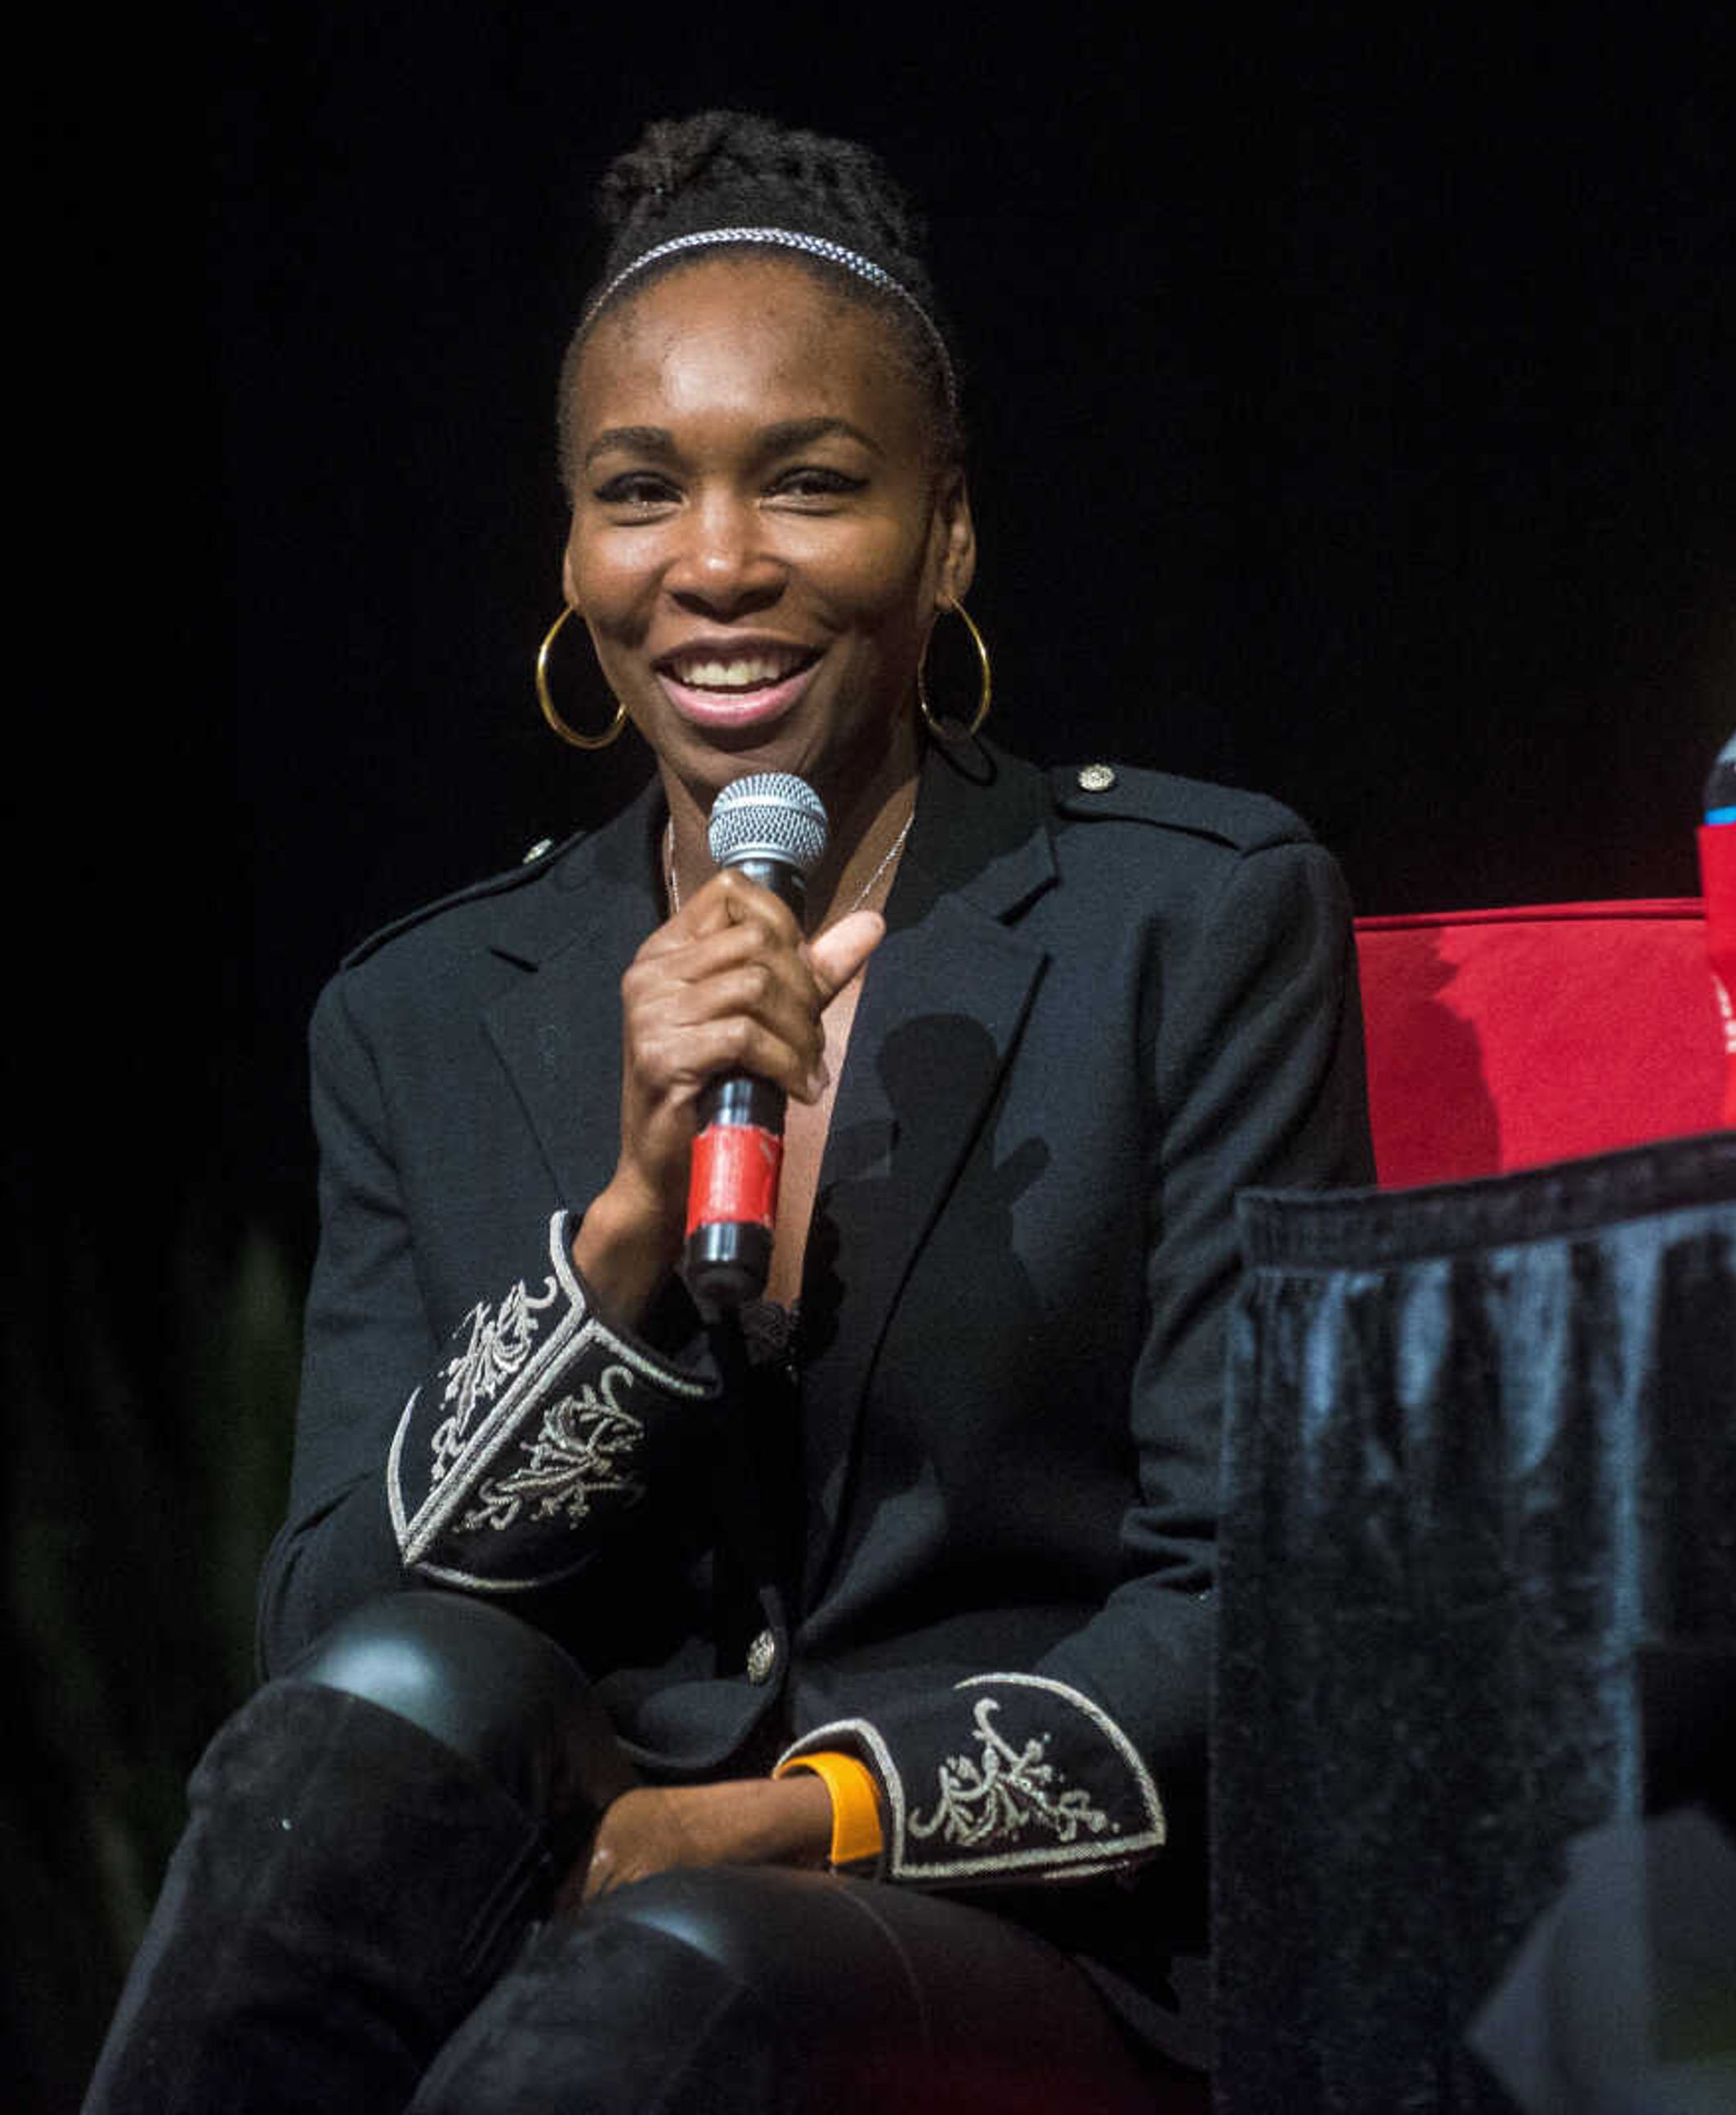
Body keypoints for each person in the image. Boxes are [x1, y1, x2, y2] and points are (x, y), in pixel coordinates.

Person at [90, 112, 1371, 2112]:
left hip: (1028, 1938)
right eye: (638, 494)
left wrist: (786, 1821)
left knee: (670, 1971)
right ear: (571, 555)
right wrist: (617, 1251)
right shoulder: (421, 1008)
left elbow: (1258, 1602)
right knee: (419, 1689)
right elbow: (323, 1669)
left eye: (810, 485)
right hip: (566, 1891)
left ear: (946, 533)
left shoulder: (1187, 923)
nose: (714, 564)